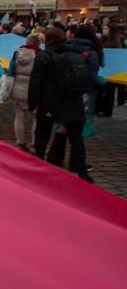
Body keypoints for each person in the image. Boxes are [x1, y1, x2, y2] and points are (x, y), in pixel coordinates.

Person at [28, 27, 92, 182]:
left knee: (42, 136)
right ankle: (81, 171)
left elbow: (35, 82)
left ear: (47, 40)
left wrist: (33, 104)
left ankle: (38, 167)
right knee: (76, 139)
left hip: (50, 102)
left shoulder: (44, 57)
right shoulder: (76, 55)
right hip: (73, 100)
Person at [7, 34, 41, 151]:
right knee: (36, 118)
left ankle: (20, 142)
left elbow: (11, 70)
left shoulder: (17, 54)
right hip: (33, 90)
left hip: (17, 88)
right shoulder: (40, 55)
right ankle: (34, 144)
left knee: (19, 116)